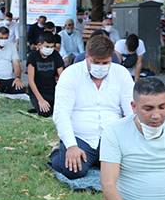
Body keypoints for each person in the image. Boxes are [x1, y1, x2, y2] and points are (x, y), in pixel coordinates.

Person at [51, 35, 134, 179]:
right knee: (74, 170)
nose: (101, 67)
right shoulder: (70, 74)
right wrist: (71, 145)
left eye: (105, 63)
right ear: (87, 56)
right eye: (96, 62)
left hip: (112, 136)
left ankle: (97, 159)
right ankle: (58, 154)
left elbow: (131, 111)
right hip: (80, 137)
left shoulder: (121, 73)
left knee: (131, 167)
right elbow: (61, 114)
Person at [27, 32, 64, 117]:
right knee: (45, 112)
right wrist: (40, 100)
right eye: (47, 47)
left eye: (52, 47)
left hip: (52, 90)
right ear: (40, 45)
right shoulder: (33, 56)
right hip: (38, 91)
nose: (49, 49)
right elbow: (30, 80)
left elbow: (62, 76)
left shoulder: (56, 55)